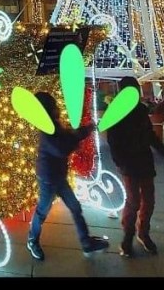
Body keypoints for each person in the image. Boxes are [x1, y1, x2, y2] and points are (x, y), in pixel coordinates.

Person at [26, 91, 109, 261]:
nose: (58, 108)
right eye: (54, 106)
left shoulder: (55, 125)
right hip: (48, 179)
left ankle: (86, 243)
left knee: (75, 207)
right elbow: (61, 149)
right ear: (47, 110)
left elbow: (70, 136)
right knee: (42, 211)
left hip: (59, 177)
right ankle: (32, 240)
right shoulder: (46, 128)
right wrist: (76, 140)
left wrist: (88, 129)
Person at [107, 76, 164, 258]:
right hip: (129, 163)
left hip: (144, 161)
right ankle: (128, 236)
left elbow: (149, 134)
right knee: (133, 201)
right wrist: (120, 162)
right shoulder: (116, 113)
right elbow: (113, 141)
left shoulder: (141, 110)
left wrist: (162, 150)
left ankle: (143, 232)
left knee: (149, 200)